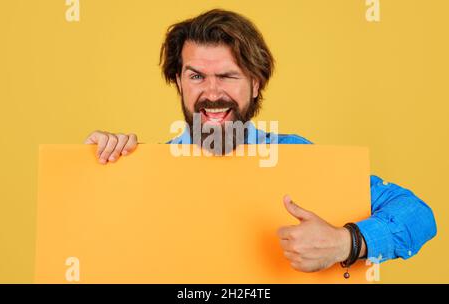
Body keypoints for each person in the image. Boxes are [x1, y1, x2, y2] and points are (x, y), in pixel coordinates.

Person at [84, 9, 437, 274]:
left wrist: (347, 242)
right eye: (196, 76)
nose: (211, 92)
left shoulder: (298, 156)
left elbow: (419, 215)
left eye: (227, 76)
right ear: (178, 81)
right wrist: (101, 170)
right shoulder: (143, 167)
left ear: (255, 84)